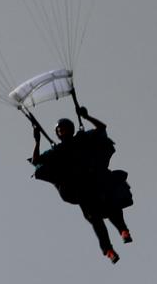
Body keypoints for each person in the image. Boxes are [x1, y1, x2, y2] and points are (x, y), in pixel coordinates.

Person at [29, 106, 134, 263]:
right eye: (59, 130)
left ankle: (123, 230)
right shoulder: (57, 151)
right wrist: (37, 141)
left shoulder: (82, 138)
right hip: (78, 189)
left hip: (94, 180)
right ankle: (109, 250)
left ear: (70, 129)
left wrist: (86, 116)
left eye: (64, 129)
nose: (61, 132)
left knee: (111, 203)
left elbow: (101, 128)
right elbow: (36, 161)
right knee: (95, 218)